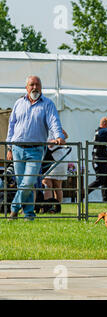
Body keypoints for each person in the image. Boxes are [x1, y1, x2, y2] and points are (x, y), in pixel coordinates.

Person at [6, 75, 65, 221]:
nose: (35, 87)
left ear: (41, 87)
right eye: (31, 85)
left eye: (37, 85)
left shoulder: (47, 104)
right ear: (26, 87)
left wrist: (59, 136)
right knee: (21, 183)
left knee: (29, 181)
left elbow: (54, 121)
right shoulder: (19, 103)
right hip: (17, 148)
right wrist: (9, 147)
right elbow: (11, 126)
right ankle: (29, 214)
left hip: (36, 149)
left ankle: (13, 209)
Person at [87, 116, 107, 202]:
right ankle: (83, 193)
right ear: (104, 124)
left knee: (106, 180)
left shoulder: (101, 132)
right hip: (99, 160)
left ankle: (106, 199)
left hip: (103, 159)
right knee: (100, 180)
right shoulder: (101, 132)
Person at [41, 129, 69, 213]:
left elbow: (64, 137)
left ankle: (49, 208)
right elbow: (65, 135)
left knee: (47, 183)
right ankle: (56, 208)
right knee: (57, 186)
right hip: (59, 158)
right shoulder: (55, 126)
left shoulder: (50, 128)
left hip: (52, 158)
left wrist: (54, 141)